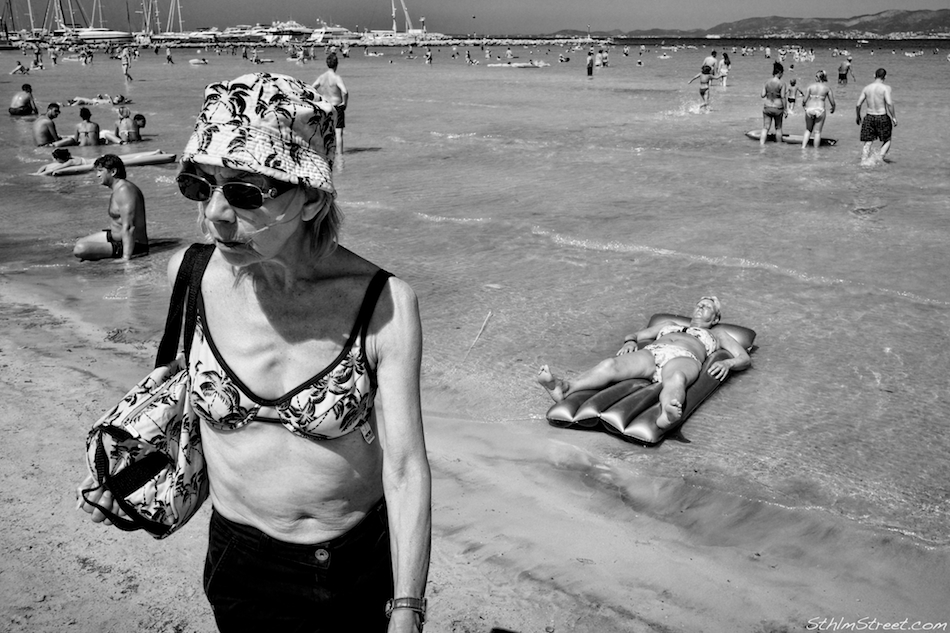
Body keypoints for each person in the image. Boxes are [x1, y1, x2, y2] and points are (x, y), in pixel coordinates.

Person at [76, 72, 431, 633]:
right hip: (236, 560)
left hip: (350, 568)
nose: (214, 214)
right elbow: (174, 397)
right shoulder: (190, 274)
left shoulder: (383, 305)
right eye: (201, 185)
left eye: (244, 193)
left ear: (310, 199)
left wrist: (408, 605)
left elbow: (406, 467)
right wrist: (123, 475)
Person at [537, 297, 751, 429]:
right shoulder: (669, 324)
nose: (700, 306)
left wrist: (728, 364)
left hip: (684, 357)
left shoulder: (717, 334)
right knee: (610, 364)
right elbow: (635, 335)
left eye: (707, 306)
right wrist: (630, 341)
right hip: (653, 353)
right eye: (699, 304)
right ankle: (565, 388)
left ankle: (667, 414)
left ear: (715, 318)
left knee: (677, 378)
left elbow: (744, 358)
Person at [71, 155, 148, 261]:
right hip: (115, 237)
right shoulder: (117, 188)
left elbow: (129, 226)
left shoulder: (124, 190)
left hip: (135, 245)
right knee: (79, 242)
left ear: (113, 172)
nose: (97, 175)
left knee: (80, 249)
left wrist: (126, 258)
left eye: (100, 171)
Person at [312, 52, 348, 168]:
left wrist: (317, 101)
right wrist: (345, 103)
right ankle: (340, 157)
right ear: (337, 64)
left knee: (325, 132)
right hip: (336, 106)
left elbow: (311, 88)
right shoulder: (336, 78)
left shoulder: (322, 77)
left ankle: (325, 155)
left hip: (325, 107)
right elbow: (345, 91)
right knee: (338, 133)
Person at [856, 67, 897, 161]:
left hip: (869, 117)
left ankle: (864, 161)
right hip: (882, 116)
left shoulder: (866, 88)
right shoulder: (886, 88)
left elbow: (858, 104)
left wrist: (858, 116)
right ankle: (879, 159)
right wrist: (894, 117)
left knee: (868, 141)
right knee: (887, 140)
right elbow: (889, 103)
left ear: (874, 75)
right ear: (885, 77)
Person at [801, 70, 836, 149]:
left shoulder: (810, 87)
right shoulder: (827, 88)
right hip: (820, 109)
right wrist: (833, 108)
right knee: (817, 132)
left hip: (810, 109)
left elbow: (804, 100)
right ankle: (816, 151)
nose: (815, 77)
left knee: (808, 130)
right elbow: (832, 102)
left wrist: (804, 106)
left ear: (818, 78)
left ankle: (803, 147)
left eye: (816, 76)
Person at [760, 62, 787, 145]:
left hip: (767, 106)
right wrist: (785, 109)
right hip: (778, 107)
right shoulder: (782, 83)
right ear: (780, 72)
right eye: (782, 73)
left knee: (765, 127)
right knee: (778, 128)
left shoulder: (766, 82)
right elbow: (783, 97)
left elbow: (762, 95)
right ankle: (778, 146)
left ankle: (761, 145)